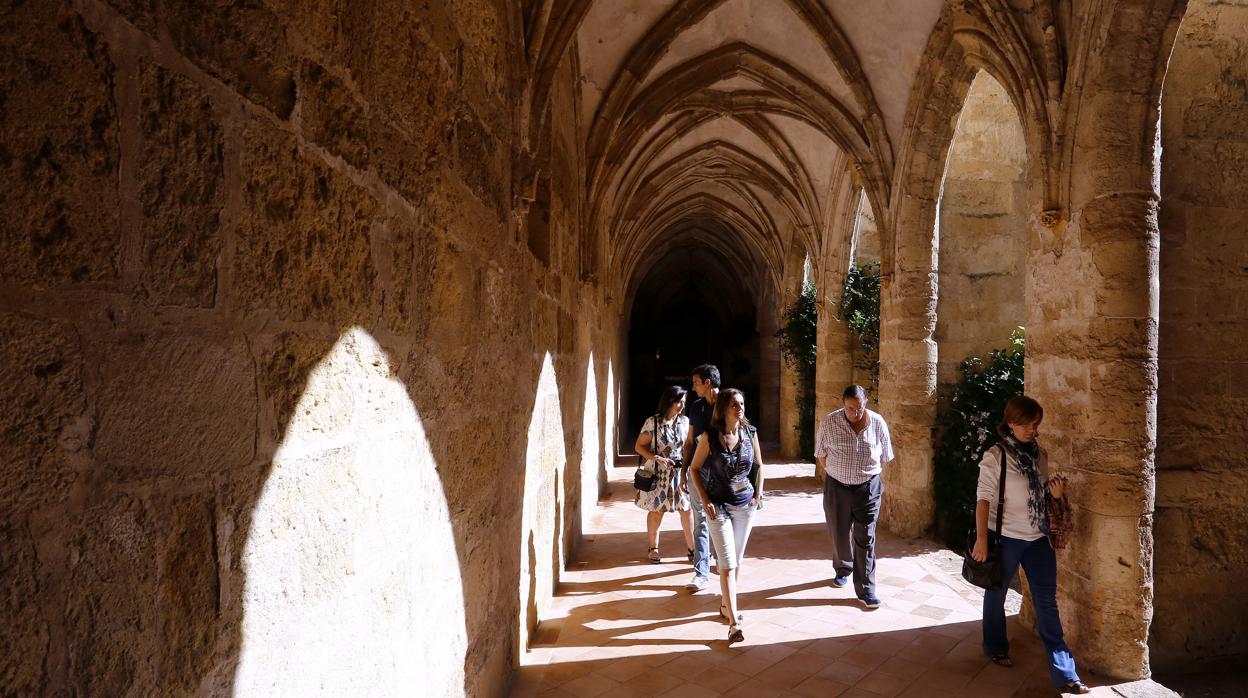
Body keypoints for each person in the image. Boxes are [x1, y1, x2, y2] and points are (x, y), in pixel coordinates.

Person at [971, 396, 1089, 694]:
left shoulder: (1041, 454)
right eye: (1026, 424)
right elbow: (983, 499)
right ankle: (995, 646)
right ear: (1011, 423)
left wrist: (1058, 495)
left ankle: (1065, 673)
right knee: (996, 596)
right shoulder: (995, 456)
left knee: (1047, 603)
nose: (1032, 430)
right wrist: (982, 539)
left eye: (1035, 425)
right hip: (1006, 538)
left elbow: (1043, 497)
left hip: (1039, 540)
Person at [689, 388, 764, 644]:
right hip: (718, 506)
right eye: (734, 404)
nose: (739, 408)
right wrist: (705, 500)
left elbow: (758, 465)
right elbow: (694, 469)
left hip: (745, 505)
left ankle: (724, 605)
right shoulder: (709, 437)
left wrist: (759, 495)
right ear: (723, 408)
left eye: (741, 403)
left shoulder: (749, 432)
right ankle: (733, 624)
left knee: (737, 560)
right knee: (727, 564)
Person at [814, 385, 894, 609]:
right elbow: (821, 454)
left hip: (868, 489)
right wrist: (837, 474)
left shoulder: (878, 423)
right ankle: (843, 568)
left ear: (866, 402)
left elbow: (886, 456)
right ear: (843, 404)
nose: (855, 413)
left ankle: (866, 589)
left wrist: (867, 475)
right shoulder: (830, 422)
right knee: (839, 533)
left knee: (865, 538)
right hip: (837, 487)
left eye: (859, 408)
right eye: (850, 408)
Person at [633, 386, 693, 563]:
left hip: (680, 473)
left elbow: (688, 446)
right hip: (659, 473)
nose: (682, 406)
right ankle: (653, 548)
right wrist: (657, 458)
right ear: (669, 402)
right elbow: (639, 447)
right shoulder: (653, 422)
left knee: (686, 510)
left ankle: (692, 549)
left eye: (684, 402)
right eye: (679, 402)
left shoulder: (685, 422)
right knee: (657, 511)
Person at [680, 364, 720, 591]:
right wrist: (685, 471)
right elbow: (689, 441)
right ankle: (701, 572)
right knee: (700, 520)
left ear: (708, 382)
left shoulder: (729, 402)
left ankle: (723, 563)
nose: (693, 387)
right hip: (698, 470)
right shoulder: (696, 407)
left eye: (696, 382)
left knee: (722, 517)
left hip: (723, 473)